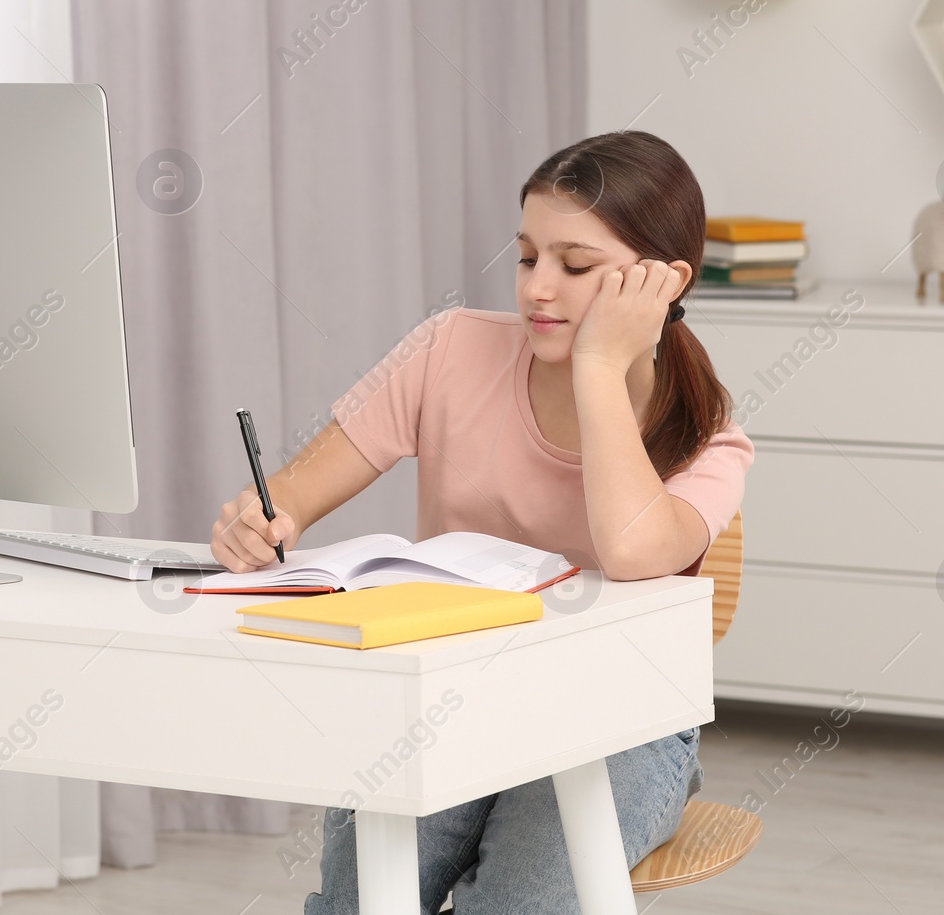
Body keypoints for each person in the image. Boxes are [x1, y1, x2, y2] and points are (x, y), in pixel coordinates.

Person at [210, 130, 753, 914]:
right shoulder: (450, 350)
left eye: (576, 266)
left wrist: (600, 366)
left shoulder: (711, 442)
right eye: (529, 256)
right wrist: (258, 523)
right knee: (364, 903)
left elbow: (635, 551)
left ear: (663, 284)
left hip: (619, 724)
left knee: (517, 905)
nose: (537, 288)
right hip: (451, 700)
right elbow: (291, 493)